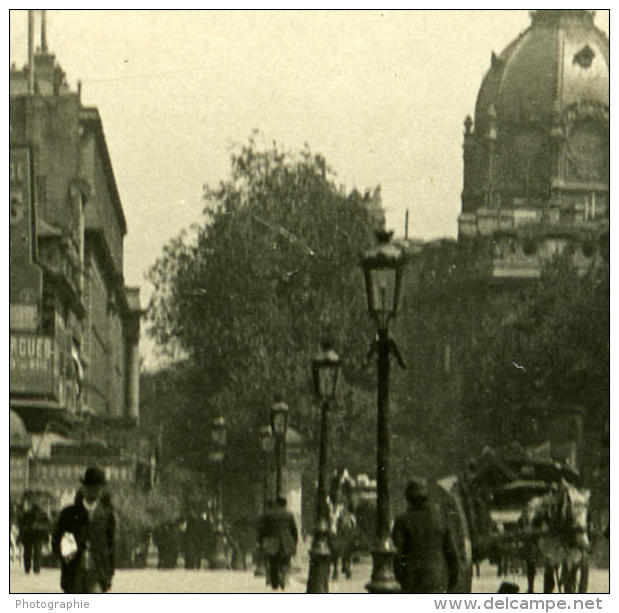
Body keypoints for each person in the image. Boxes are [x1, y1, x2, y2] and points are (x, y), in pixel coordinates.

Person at [52, 467, 115, 593]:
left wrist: (108, 574)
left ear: (102, 490)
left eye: (97, 487)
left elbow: (111, 546)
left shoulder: (107, 515)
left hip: (97, 573)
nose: (93, 491)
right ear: (84, 488)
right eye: (90, 487)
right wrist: (63, 557)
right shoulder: (68, 514)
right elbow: (56, 539)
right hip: (74, 573)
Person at [392, 477, 460, 593]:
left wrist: (400, 578)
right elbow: (452, 555)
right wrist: (452, 583)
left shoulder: (402, 521)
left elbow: (396, 556)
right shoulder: (440, 519)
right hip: (436, 580)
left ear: (408, 498)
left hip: (411, 581)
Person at [258, 495, 298, 590]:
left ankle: (275, 583)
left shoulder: (269, 514)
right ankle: (283, 579)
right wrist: (294, 542)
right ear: (285, 504)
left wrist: (261, 541)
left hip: (272, 543)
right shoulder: (289, 514)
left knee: (273, 563)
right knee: (285, 562)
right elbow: (294, 530)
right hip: (286, 543)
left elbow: (263, 530)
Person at [18, 492, 50, 574]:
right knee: (36, 552)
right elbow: (47, 526)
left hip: (31, 534)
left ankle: (29, 568)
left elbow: (22, 525)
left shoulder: (28, 514)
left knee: (30, 552)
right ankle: (36, 568)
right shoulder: (42, 514)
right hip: (37, 535)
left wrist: (21, 535)